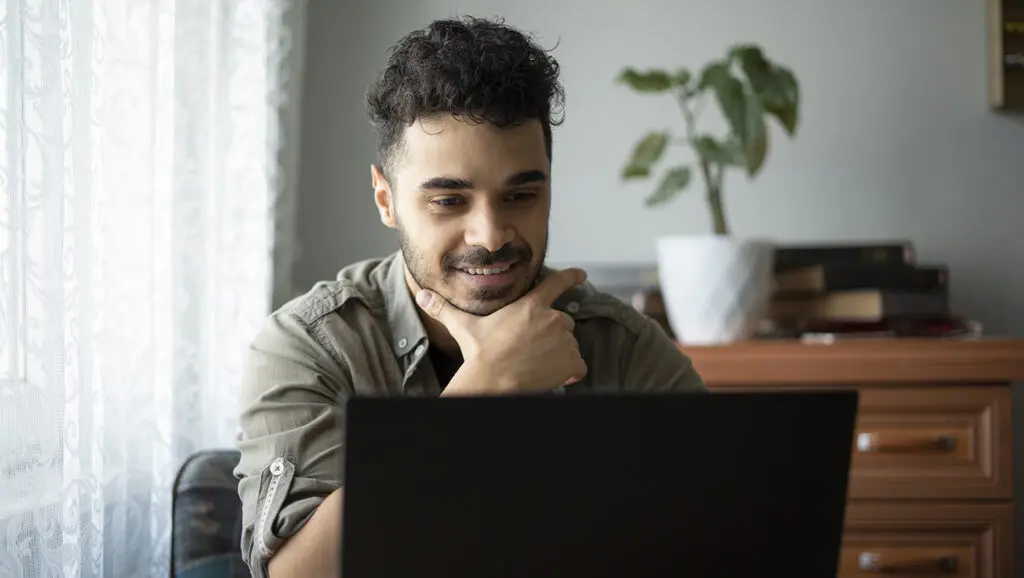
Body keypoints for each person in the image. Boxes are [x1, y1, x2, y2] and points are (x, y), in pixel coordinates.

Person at [233, 15, 707, 578]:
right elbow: (297, 574)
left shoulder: (622, 349)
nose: (491, 235)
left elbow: (724, 542)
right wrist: (485, 391)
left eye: (521, 195)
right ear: (386, 200)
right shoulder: (311, 347)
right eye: (448, 201)